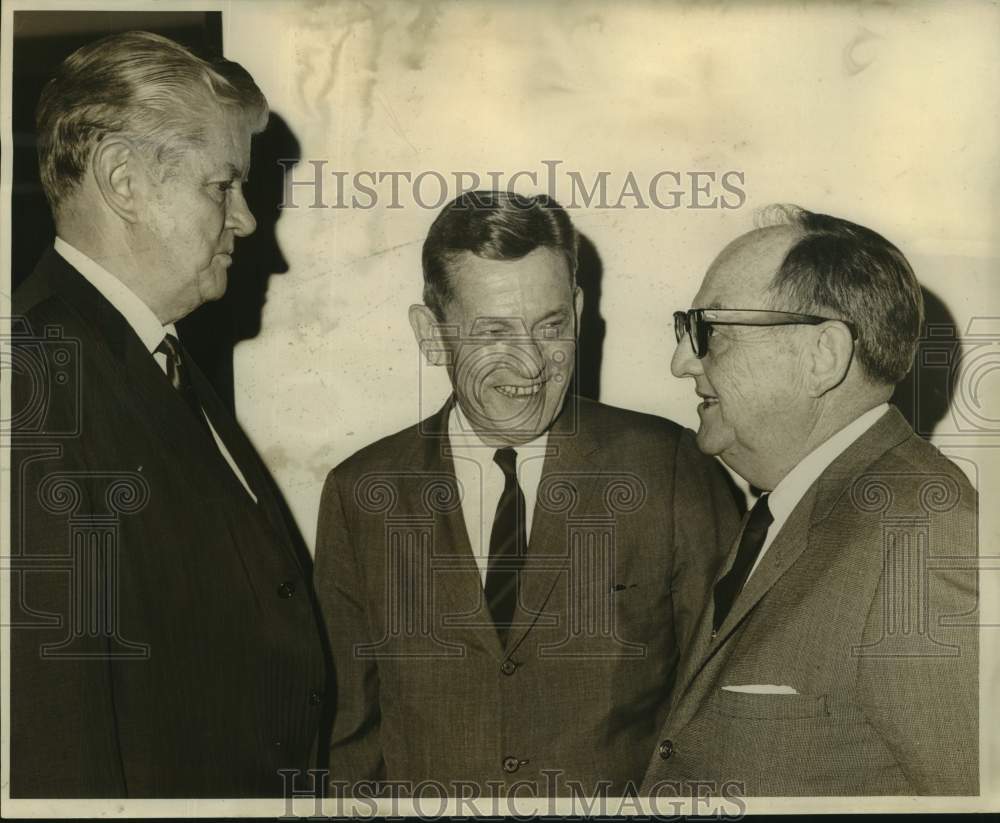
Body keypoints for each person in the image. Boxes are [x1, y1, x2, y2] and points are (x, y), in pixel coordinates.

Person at [313, 190, 739, 798]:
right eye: (493, 331)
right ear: (431, 335)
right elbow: (351, 738)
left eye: (552, 326)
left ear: (580, 311)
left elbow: (720, 705)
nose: (532, 364)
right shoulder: (362, 493)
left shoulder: (668, 469)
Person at [10, 31, 328, 798]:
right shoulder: (32, 386)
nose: (247, 223)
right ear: (124, 180)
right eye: (222, 187)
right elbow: (51, 749)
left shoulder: (156, 356)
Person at [642, 205, 978, 796]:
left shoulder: (926, 532)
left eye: (710, 330)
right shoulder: (788, 509)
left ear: (822, 355)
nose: (681, 362)